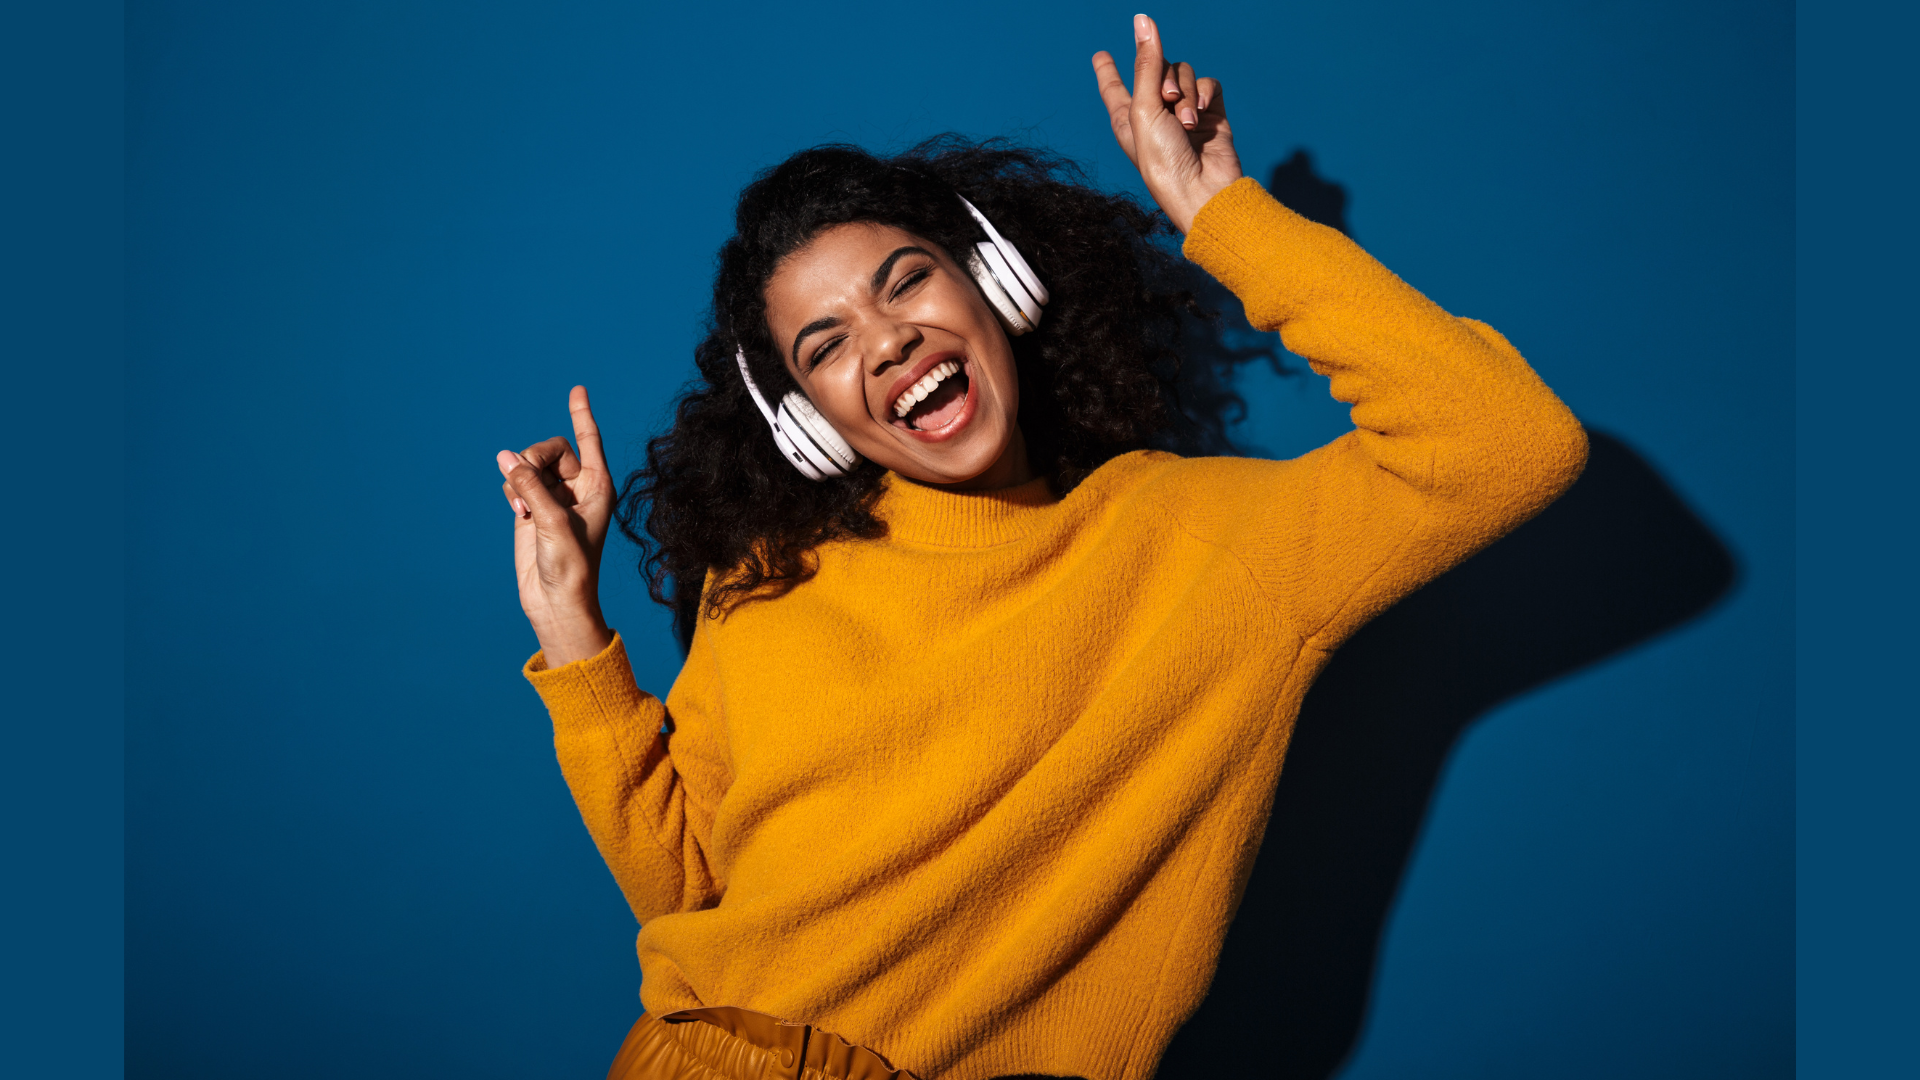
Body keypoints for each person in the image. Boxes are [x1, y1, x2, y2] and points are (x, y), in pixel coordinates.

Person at [493, 15, 1586, 1080]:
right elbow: (686, 890)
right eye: (825, 345)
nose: (888, 342)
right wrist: (575, 637)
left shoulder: (1205, 542)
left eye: (907, 280)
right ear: (807, 418)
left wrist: (1223, 215)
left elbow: (1503, 441)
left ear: (996, 281)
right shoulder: (766, 579)